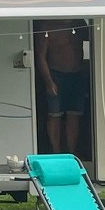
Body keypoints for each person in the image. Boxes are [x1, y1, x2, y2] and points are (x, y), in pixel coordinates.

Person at [34, 18, 89, 155]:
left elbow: (95, 41)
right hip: (55, 74)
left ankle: (72, 151)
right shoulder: (47, 26)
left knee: (74, 114)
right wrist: (49, 81)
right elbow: (40, 56)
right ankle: (56, 150)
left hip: (76, 73)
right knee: (54, 114)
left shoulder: (79, 23)